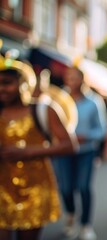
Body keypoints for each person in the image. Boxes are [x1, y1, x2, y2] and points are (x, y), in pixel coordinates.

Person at [0, 53, 75, 240]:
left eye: (7, 83)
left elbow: (69, 145)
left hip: (35, 188)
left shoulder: (43, 110)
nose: (1, 88)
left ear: (23, 83)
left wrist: (28, 151)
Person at [53, 67, 107, 240]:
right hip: (63, 151)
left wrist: (86, 137)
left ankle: (86, 225)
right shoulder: (58, 99)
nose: (71, 80)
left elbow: (101, 129)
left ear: (82, 79)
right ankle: (70, 216)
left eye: (75, 77)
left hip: (86, 151)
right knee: (65, 188)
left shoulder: (94, 101)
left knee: (84, 187)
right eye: (68, 76)